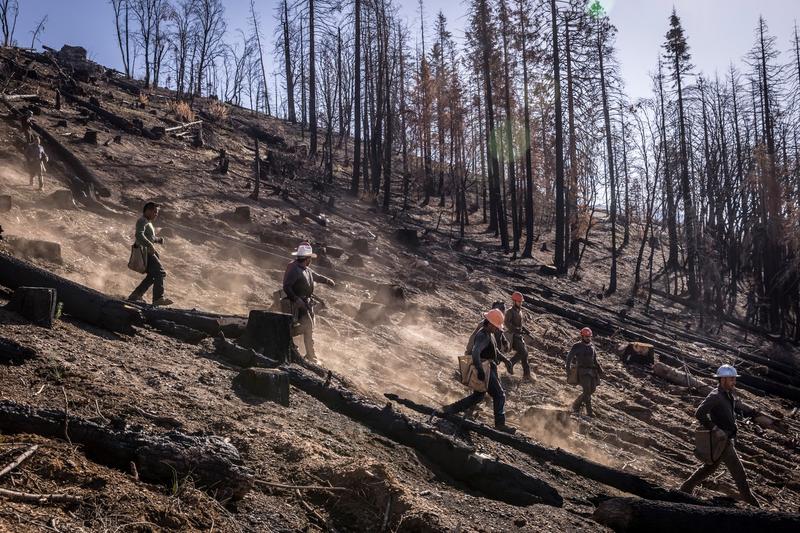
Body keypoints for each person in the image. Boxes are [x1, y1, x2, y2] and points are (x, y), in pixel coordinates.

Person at [679, 365, 760, 506]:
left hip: (726, 440)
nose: (734, 381)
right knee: (741, 477)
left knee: (709, 469)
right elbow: (699, 413)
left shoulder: (728, 395)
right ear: (722, 379)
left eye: (735, 379)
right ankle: (757, 508)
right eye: (731, 379)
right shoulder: (715, 396)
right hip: (723, 442)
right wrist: (715, 428)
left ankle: (683, 491)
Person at [444, 308, 516, 433]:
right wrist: (480, 371)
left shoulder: (489, 334)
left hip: (487, 367)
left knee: (478, 396)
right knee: (499, 395)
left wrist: (505, 360)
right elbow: (476, 352)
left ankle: (451, 409)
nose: (498, 329)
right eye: (496, 326)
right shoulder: (483, 335)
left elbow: (495, 351)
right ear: (490, 324)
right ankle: (500, 424)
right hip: (484, 368)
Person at [281, 242, 335, 362]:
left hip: (305, 303)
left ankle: (290, 341)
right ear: (308, 258)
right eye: (310, 258)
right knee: (308, 326)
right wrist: (296, 299)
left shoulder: (305, 269)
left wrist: (326, 280)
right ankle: (310, 355)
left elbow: (315, 276)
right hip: (297, 304)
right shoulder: (294, 269)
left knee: (309, 327)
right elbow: (287, 287)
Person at [127, 202, 174, 306]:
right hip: (146, 253)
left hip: (147, 252)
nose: (156, 214)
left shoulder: (148, 222)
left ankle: (135, 295)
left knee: (152, 276)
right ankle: (158, 298)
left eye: (157, 212)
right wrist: (150, 245)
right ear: (148, 210)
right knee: (160, 273)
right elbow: (139, 235)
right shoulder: (142, 221)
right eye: (155, 212)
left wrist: (158, 240)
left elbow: (149, 237)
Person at [566, 327, 603, 417]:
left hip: (592, 371)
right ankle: (589, 411)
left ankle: (576, 403)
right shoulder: (577, 346)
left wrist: (599, 368)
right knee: (586, 391)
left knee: (592, 390)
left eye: (589, 336)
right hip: (582, 371)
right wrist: (568, 370)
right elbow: (569, 358)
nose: (588, 338)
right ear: (582, 336)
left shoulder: (592, 346)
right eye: (586, 336)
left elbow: (594, 359)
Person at [505, 291, 534, 381]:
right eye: (519, 301)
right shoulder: (510, 311)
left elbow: (520, 324)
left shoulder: (520, 311)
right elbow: (506, 323)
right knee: (523, 352)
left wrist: (526, 330)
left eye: (521, 301)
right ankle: (510, 363)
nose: (520, 303)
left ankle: (527, 375)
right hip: (513, 336)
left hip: (519, 336)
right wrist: (515, 329)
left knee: (525, 356)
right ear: (514, 301)